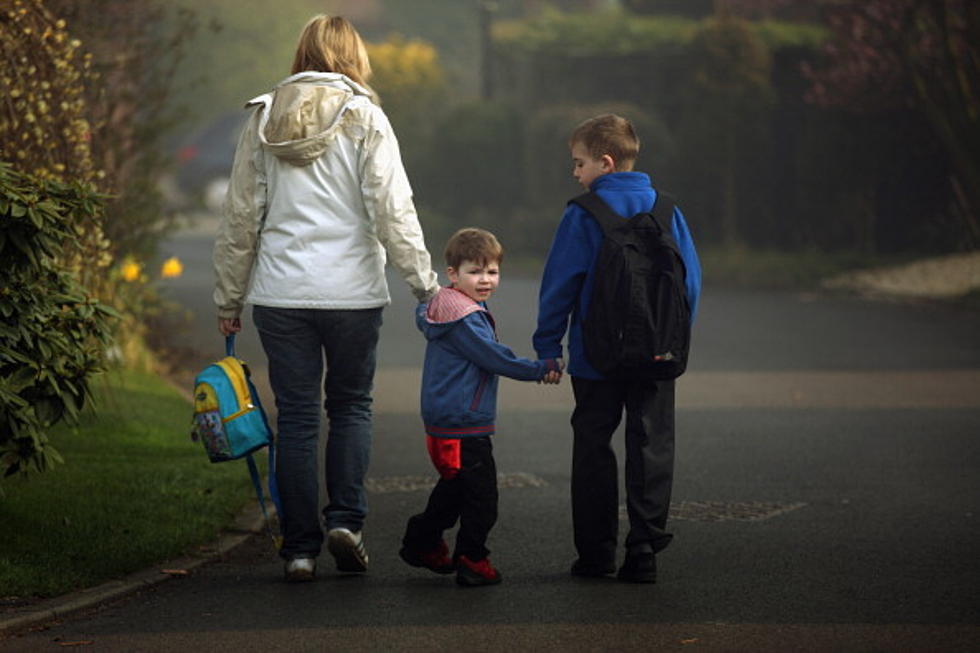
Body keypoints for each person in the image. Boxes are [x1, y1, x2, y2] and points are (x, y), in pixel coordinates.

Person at [212, 14, 440, 582]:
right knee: (351, 406)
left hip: (281, 293)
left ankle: (300, 549)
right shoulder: (365, 116)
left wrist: (229, 295)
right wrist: (425, 285)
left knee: (295, 418)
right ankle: (346, 521)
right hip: (352, 295)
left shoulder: (265, 118)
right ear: (354, 56)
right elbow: (393, 209)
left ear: (302, 52)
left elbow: (243, 215)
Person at [533, 114, 701, 583]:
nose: (575, 173)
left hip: (595, 357)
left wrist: (549, 345)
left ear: (605, 163)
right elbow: (691, 282)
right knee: (651, 444)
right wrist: (671, 337)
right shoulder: (668, 210)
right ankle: (644, 549)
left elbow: (560, 285)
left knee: (593, 447)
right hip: (656, 355)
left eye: (579, 163)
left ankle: (595, 554)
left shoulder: (583, 214)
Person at [400, 228, 562, 587]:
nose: (485, 280)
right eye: (475, 271)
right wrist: (540, 369)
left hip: (451, 417)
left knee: (456, 488)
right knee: (482, 497)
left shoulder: (455, 307)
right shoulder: (463, 318)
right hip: (462, 420)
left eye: (492, 272)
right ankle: (473, 559)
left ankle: (422, 541)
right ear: (453, 274)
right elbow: (494, 358)